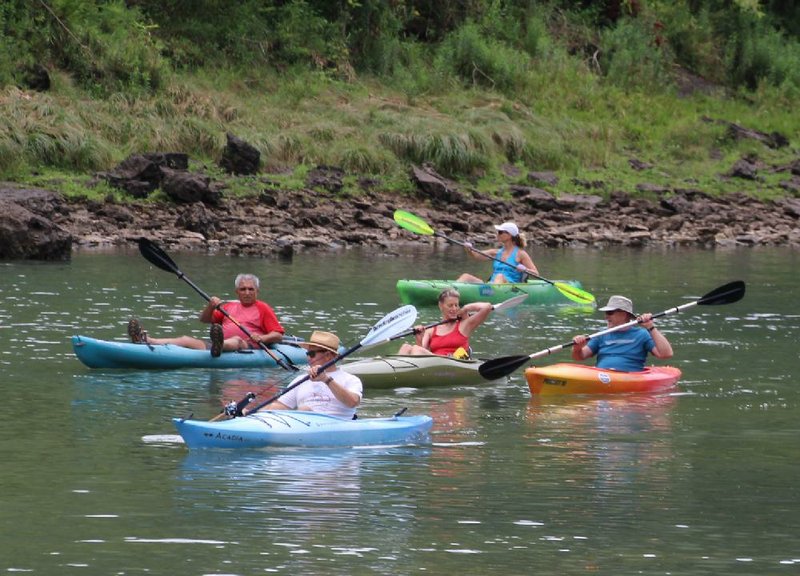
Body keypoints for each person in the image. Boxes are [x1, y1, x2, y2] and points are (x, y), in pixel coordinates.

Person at [127, 273, 284, 357]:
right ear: (237, 292)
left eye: (251, 289)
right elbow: (204, 320)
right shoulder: (229, 306)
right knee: (185, 339)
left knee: (236, 340)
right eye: (243, 289)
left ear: (257, 291)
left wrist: (262, 338)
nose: (247, 292)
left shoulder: (263, 308)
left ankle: (219, 345)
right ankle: (146, 340)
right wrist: (211, 306)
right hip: (215, 345)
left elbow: (278, 334)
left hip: (247, 347)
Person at [266, 331, 362, 419]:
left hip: (337, 425)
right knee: (302, 409)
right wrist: (256, 414)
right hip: (305, 423)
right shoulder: (300, 380)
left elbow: (352, 402)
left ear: (328, 355)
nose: (308, 357)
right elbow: (280, 406)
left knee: (305, 410)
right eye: (307, 353)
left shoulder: (351, 380)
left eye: (312, 354)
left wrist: (326, 380)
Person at [571, 295, 674, 372]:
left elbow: (666, 354)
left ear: (624, 314)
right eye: (606, 313)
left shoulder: (642, 335)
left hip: (628, 378)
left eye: (610, 313)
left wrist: (650, 327)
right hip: (602, 375)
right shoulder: (601, 335)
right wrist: (577, 347)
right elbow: (580, 357)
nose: (606, 317)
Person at [398, 288, 493, 357]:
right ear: (441, 306)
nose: (454, 309)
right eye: (450, 305)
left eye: (456, 305)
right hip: (434, 364)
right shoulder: (431, 330)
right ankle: (395, 373)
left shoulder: (465, 325)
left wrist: (465, 308)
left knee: (415, 349)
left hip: (454, 363)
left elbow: (487, 307)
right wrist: (419, 338)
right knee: (406, 347)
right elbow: (421, 353)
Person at [456, 221, 538, 284]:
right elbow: (476, 256)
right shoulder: (495, 252)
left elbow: (536, 273)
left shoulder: (521, 254)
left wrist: (525, 269)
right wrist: (469, 249)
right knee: (465, 276)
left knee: (500, 276)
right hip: (492, 284)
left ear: (509, 235)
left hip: (511, 288)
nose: (497, 234)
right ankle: (450, 295)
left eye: (500, 232)